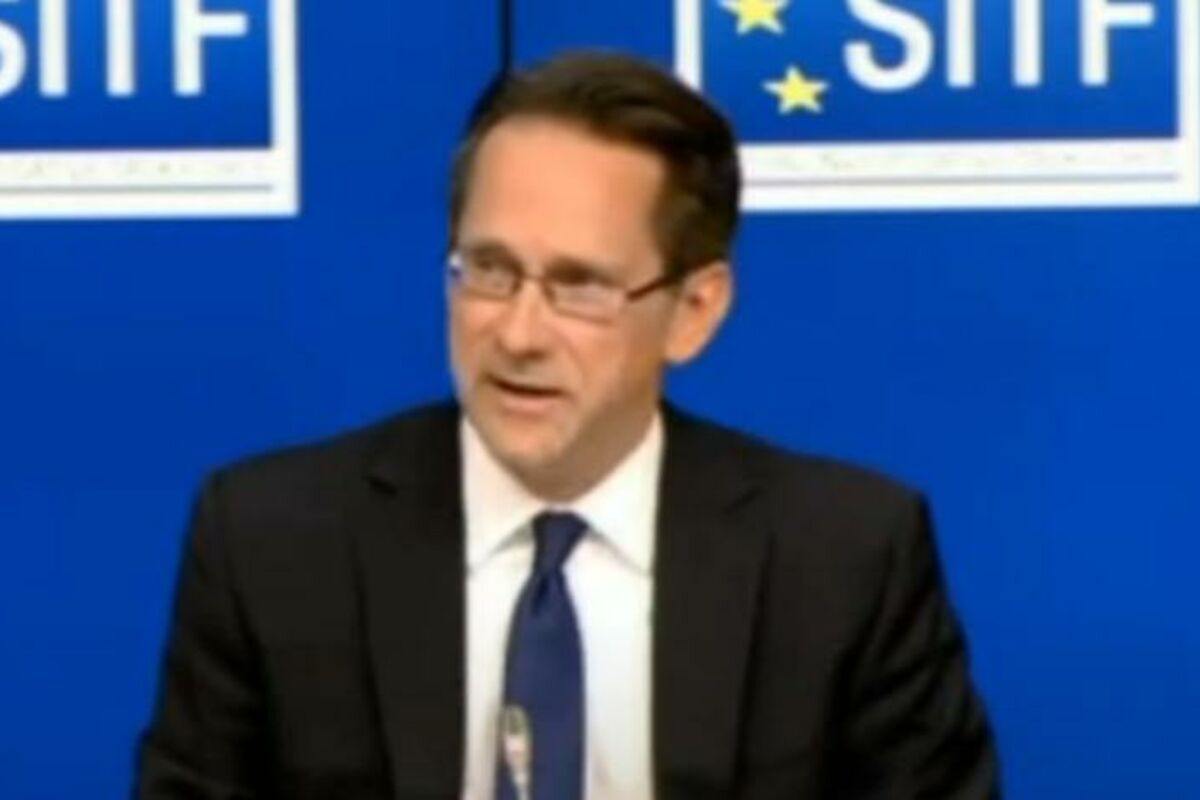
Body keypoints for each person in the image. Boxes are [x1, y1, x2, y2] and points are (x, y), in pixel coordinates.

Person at [135, 51, 1000, 799]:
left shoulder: (845, 559)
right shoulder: (271, 541)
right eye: (490, 270)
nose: (518, 334)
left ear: (694, 311)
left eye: (579, 286)